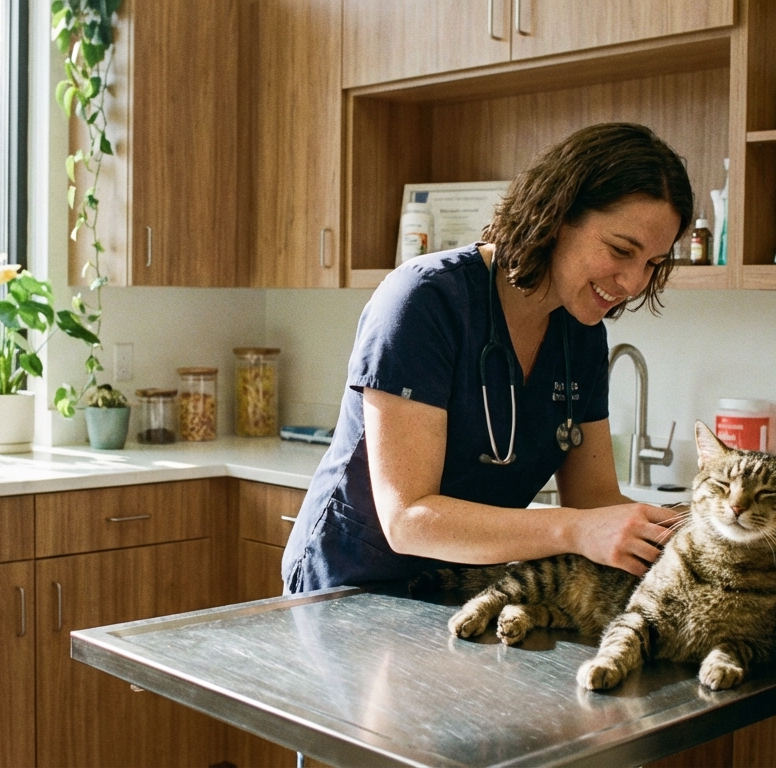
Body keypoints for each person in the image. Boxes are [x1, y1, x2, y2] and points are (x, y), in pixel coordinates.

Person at [282, 122, 694, 594]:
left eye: (653, 265)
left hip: (461, 588)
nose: (634, 283)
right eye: (621, 250)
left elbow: (596, 501)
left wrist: (733, 536)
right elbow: (409, 519)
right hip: (351, 588)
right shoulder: (425, 300)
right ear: (558, 215)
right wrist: (573, 530)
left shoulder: (580, 335)